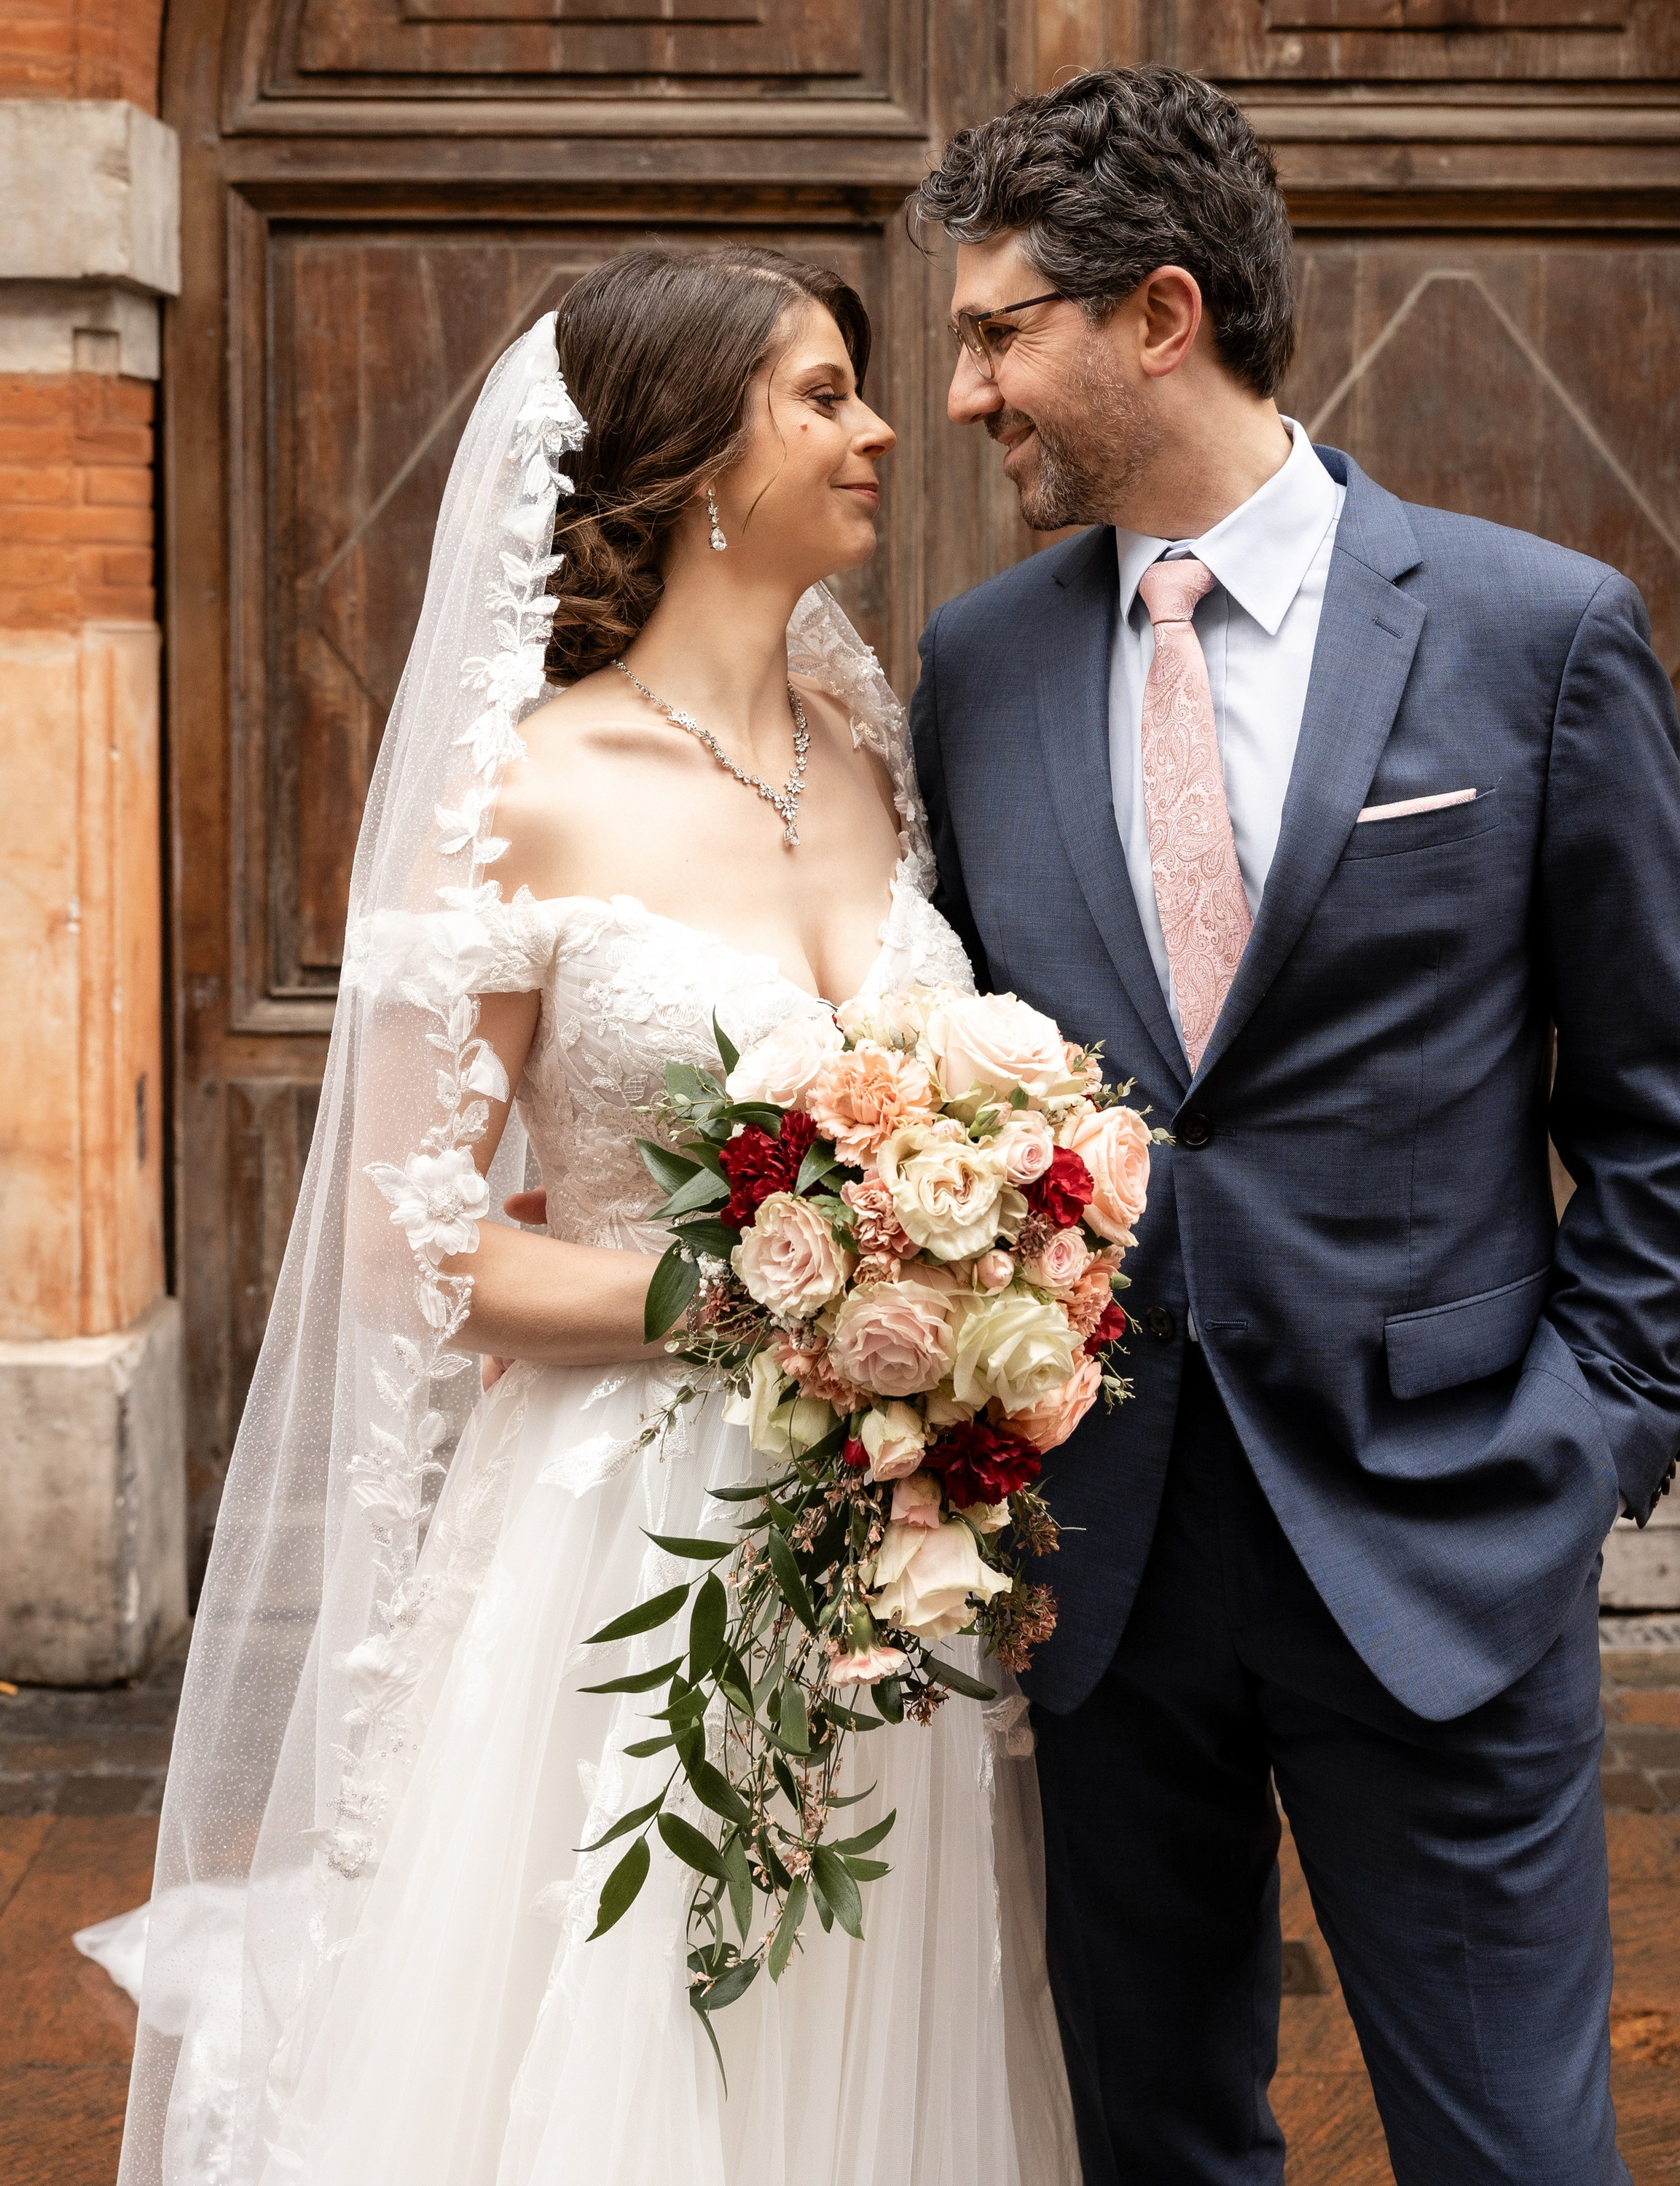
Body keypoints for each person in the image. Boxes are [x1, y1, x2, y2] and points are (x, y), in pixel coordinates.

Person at [117, 246, 1077, 2186]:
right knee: (635, 2039)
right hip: (622, 1548)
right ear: (691, 457)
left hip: (880, 1548)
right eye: (824, 393)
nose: (885, 425)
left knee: (863, 2023)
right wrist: (800, 1296)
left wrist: (968, 1302)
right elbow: (420, 1249)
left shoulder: (877, 760)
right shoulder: (528, 794)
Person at [908, 66, 1680, 2186]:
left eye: (1001, 330)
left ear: (1162, 316)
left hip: (1448, 1531)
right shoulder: (979, 665)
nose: (959, 393)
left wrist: (1596, 1438)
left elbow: (1661, 1094)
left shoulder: (1530, 631)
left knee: (1517, 2153)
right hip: (1105, 1563)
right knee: (1163, 2141)